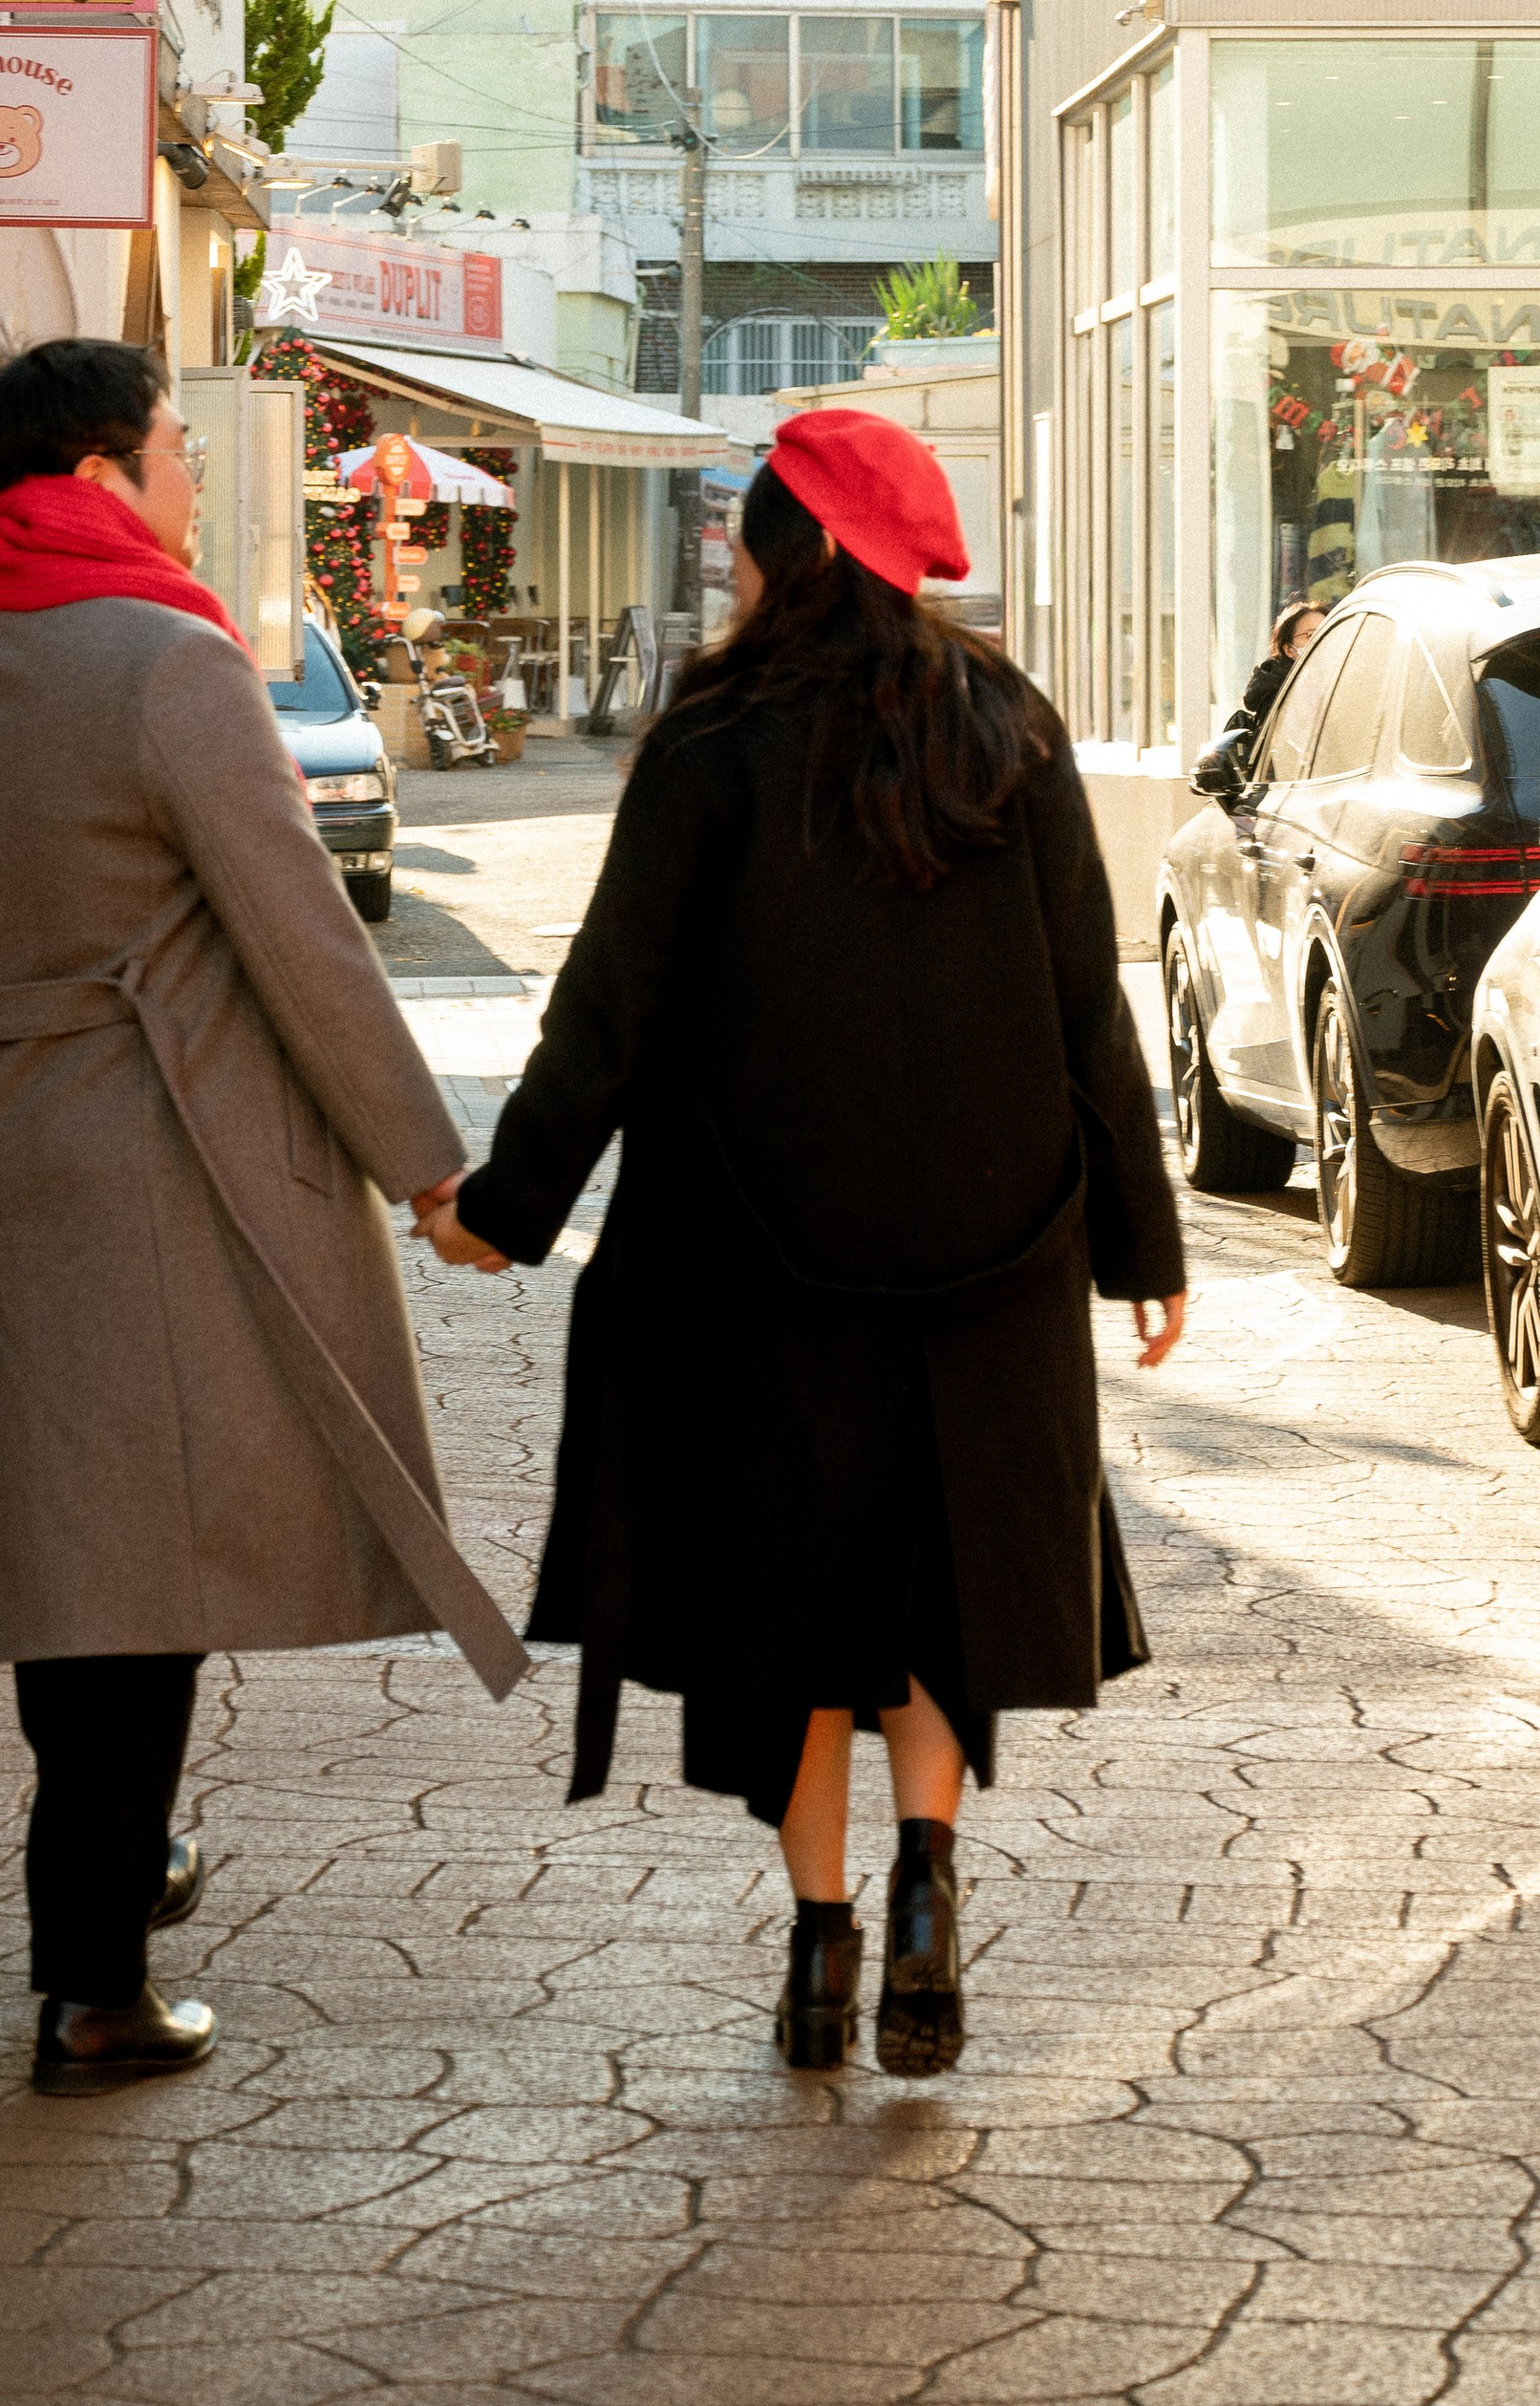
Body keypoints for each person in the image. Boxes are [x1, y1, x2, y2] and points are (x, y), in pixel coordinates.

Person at [418, 404, 1187, 2078]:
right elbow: (1087, 1009)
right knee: (931, 1587)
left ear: (806, 550)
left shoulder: (716, 736)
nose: (742, 560)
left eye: (756, 533)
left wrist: (506, 1205)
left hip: (759, 1263)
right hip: (994, 1262)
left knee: (795, 1599)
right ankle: (930, 1889)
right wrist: (1146, 1244)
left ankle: (822, 1949)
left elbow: (613, 1002)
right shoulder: (1016, 728)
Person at [0, 338, 525, 2094]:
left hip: (2, 1162)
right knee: (134, 1573)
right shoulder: (172, 662)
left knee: (66, 1544)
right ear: (97, 472)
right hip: (155, 1165)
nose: (191, 481)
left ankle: (114, 1880)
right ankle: (90, 1981)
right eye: (176, 450)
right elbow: (302, 932)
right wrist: (431, 1166)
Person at [1228, 597, 1324, 740]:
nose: (1320, 640)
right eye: (1310, 635)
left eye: (1325, 633)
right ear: (1289, 649)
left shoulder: (1341, 679)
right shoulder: (1279, 693)